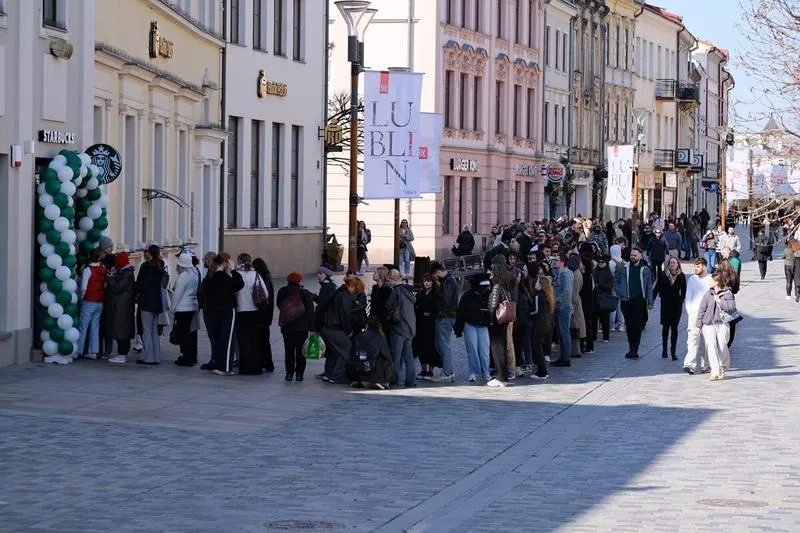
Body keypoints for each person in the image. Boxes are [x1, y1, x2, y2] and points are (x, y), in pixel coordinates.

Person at [203, 253, 244, 375]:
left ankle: (218, 364)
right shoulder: (224, 278)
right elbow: (239, 284)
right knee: (228, 339)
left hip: (214, 311)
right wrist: (233, 271)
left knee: (219, 338)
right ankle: (225, 367)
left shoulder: (210, 276)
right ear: (225, 263)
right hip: (227, 311)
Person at [695, 268, 738, 381]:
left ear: (717, 281)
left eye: (711, 280)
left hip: (722, 323)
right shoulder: (707, 294)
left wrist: (720, 301)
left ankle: (723, 366)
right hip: (708, 323)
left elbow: (731, 307)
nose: (709, 282)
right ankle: (715, 371)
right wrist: (698, 325)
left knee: (722, 345)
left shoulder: (727, 293)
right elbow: (701, 310)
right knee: (711, 347)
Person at [614, 247, 654, 360]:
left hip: (639, 301)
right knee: (629, 325)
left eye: (635, 255)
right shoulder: (624, 268)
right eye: (632, 255)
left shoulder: (645, 269)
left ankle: (634, 349)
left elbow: (649, 286)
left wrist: (650, 302)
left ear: (640, 256)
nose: (633, 257)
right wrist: (620, 292)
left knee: (636, 325)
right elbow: (616, 280)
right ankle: (631, 347)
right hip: (626, 300)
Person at [276, 272, 315, 381]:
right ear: (299, 281)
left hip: (287, 326)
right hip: (302, 328)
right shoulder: (304, 293)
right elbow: (310, 311)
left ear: (287, 280)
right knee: (301, 351)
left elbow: (279, 305)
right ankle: (299, 374)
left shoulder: (282, 291)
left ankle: (289, 374)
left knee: (288, 350)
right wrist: (312, 328)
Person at [454, 273, 492, 383]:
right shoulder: (467, 296)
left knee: (484, 351)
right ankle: (473, 372)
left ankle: (486, 372)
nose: (486, 288)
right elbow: (461, 312)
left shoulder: (488, 295)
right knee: (472, 350)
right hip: (470, 325)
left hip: (483, 325)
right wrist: (458, 328)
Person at [234, 253, 266, 375]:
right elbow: (265, 294)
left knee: (243, 340)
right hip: (255, 311)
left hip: (241, 311)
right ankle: (256, 367)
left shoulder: (237, 275)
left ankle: (245, 367)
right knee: (255, 340)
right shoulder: (255, 274)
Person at [135, 245, 167, 366]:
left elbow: (142, 284)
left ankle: (148, 357)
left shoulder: (147, 267)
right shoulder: (161, 265)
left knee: (146, 331)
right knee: (154, 331)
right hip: (157, 302)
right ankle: (156, 357)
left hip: (146, 301)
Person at [385, 269, 417, 387]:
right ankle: (410, 380)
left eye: (389, 280)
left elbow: (388, 307)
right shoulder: (408, 291)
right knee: (409, 357)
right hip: (410, 328)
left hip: (398, 328)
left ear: (394, 279)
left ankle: (394, 380)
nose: (388, 283)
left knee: (396, 357)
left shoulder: (396, 292)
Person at [75, 249, 108, 359]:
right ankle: (93, 352)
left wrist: (81, 298)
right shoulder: (103, 269)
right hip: (99, 302)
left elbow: (84, 288)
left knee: (83, 327)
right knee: (95, 327)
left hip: (88, 301)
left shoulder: (88, 270)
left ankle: (78, 351)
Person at [487, 264, 516, 386]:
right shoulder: (506, 287)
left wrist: (490, 319)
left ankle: (500, 377)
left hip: (497, 321)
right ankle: (503, 375)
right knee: (502, 347)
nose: (490, 275)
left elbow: (492, 306)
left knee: (496, 348)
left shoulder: (496, 287)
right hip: (504, 321)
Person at [683, 257, 712, 375]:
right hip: (694, 313)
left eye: (698, 266)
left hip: (707, 313)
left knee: (707, 340)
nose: (696, 268)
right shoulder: (692, 279)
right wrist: (690, 310)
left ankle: (706, 364)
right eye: (695, 266)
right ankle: (690, 364)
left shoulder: (711, 279)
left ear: (704, 267)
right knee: (692, 338)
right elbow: (688, 296)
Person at [654, 256, 686, 360]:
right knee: (665, 328)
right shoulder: (663, 275)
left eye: (674, 263)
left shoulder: (681, 276)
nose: (672, 264)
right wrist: (651, 300)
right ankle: (664, 350)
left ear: (678, 264)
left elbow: (684, 290)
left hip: (676, 305)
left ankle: (673, 351)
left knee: (674, 328)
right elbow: (657, 288)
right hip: (665, 304)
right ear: (668, 264)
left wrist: (681, 299)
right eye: (670, 263)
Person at [171, 252, 200, 367]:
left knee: (183, 334)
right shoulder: (194, 274)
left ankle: (186, 357)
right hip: (192, 306)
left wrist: (173, 309)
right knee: (190, 333)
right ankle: (192, 356)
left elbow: (177, 294)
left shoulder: (183, 277)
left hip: (182, 308)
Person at [106, 252, 136, 364]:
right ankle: (122, 353)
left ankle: (122, 354)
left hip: (122, 307)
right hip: (122, 306)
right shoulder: (125, 272)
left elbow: (118, 288)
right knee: (122, 330)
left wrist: (110, 278)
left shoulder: (127, 274)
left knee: (121, 331)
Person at [431, 260, 458, 383]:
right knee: (442, 344)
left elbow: (445, 301)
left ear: (437, 273)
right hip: (447, 316)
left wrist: (439, 312)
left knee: (444, 345)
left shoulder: (447, 282)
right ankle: (448, 372)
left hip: (446, 317)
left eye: (434, 276)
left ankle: (447, 373)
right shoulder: (449, 280)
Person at [413, 273, 440, 380]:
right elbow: (416, 307)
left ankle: (431, 370)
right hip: (420, 324)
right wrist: (422, 313)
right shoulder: (420, 294)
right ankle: (423, 369)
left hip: (431, 325)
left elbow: (436, 309)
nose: (426, 283)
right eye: (425, 281)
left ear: (432, 282)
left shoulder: (436, 294)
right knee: (421, 347)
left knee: (431, 347)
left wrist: (428, 313)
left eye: (428, 281)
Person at [252, 258, 275, 372]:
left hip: (263, 315)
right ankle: (267, 362)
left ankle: (265, 362)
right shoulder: (267, 277)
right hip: (266, 315)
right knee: (264, 340)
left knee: (262, 340)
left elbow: (262, 298)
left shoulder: (262, 279)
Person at [529, 275, 553, 379]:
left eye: (537, 282)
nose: (535, 284)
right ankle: (541, 370)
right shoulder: (546, 295)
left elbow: (536, 311)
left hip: (539, 324)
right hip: (544, 324)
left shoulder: (538, 296)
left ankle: (542, 371)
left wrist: (528, 313)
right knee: (538, 347)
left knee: (537, 348)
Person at [551, 255, 574, 367]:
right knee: (562, 332)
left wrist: (556, 301)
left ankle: (565, 358)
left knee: (564, 332)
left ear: (562, 262)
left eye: (557, 261)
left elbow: (566, 291)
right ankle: (563, 356)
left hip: (563, 307)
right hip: (562, 306)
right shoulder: (561, 273)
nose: (554, 262)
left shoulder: (565, 274)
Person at [592, 256, 615, 343]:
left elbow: (610, 285)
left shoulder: (608, 273)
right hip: (595, 298)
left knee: (605, 319)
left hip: (604, 298)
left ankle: (606, 336)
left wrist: (600, 284)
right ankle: (594, 336)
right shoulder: (595, 271)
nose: (601, 264)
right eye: (599, 262)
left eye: (602, 262)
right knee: (594, 318)